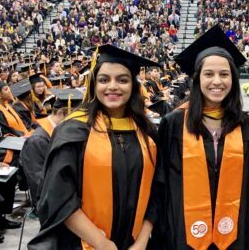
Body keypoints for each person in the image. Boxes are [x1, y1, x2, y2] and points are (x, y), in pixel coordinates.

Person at [28, 45, 161, 249]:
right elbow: (59, 196)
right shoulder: (74, 131)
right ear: (93, 85)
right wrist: (102, 243)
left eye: (123, 80)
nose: (113, 86)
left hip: (134, 242)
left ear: (133, 86)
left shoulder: (147, 132)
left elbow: (157, 191)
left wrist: (142, 241)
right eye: (104, 79)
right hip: (84, 242)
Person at [157, 25, 249, 249]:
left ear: (233, 79)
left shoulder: (248, 126)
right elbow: (161, 184)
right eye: (209, 74)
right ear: (197, 79)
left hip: (234, 232)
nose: (217, 81)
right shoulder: (173, 124)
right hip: (184, 232)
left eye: (224, 74)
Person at [21, 89, 83, 211]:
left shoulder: (62, 132)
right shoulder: (37, 141)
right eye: (77, 117)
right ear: (62, 113)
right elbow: (40, 183)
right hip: (52, 204)